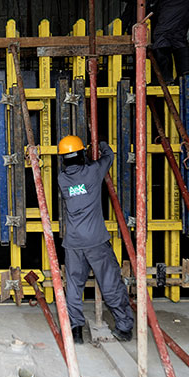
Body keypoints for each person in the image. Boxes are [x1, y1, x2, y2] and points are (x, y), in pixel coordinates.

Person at [57, 136, 134, 344]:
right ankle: (124, 327)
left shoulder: (62, 179)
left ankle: (75, 331)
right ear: (82, 154)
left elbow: (77, 171)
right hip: (95, 240)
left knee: (74, 286)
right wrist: (100, 144)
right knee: (109, 283)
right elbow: (109, 156)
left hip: (73, 242)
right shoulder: (93, 172)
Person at [108, 0, 189, 84]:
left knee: (162, 33)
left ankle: (163, 78)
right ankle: (186, 77)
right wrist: (117, 34)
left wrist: (131, 33)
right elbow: (128, 14)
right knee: (176, 35)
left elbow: (139, 16)